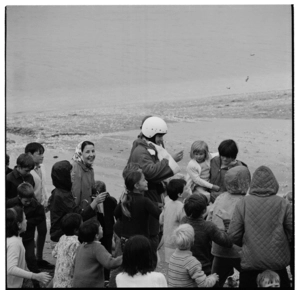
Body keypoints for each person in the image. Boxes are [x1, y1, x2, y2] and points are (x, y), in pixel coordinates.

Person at [228, 166, 292, 288]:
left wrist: (247, 243)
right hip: (277, 263)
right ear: (274, 184)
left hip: (250, 262)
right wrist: (284, 241)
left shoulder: (243, 203)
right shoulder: (283, 203)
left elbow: (233, 235)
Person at [127, 116, 182, 258]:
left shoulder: (148, 147)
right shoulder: (141, 151)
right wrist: (171, 160)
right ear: (151, 134)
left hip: (153, 194)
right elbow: (150, 172)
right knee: (151, 232)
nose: (161, 139)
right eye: (159, 136)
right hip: (148, 196)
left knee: (155, 230)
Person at [209, 166, 251, 287]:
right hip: (238, 250)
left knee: (215, 281)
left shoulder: (220, 197)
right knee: (248, 279)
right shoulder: (245, 201)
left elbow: (210, 219)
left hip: (218, 248)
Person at [48, 160, 106, 243]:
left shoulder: (59, 191)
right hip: (61, 236)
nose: (73, 174)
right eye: (70, 172)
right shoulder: (62, 195)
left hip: (60, 235)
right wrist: (95, 202)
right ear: (64, 176)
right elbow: (79, 215)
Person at [181, 194, 232, 276]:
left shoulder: (183, 221)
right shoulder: (208, 226)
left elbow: (194, 220)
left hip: (185, 266)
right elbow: (228, 242)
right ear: (205, 210)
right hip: (203, 269)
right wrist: (227, 221)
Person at [6, 182, 46, 287]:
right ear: (19, 197)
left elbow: (40, 217)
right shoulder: (11, 204)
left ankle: (36, 283)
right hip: (15, 235)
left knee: (30, 259)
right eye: (25, 201)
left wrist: (28, 222)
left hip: (28, 237)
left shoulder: (37, 206)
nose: (28, 203)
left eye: (29, 201)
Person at [114, 171, 161, 257]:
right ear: (136, 186)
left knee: (129, 266)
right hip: (140, 242)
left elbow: (116, 214)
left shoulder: (125, 200)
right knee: (140, 267)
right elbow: (159, 215)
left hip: (125, 241)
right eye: (143, 180)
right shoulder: (145, 201)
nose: (147, 181)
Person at [6, 206, 51, 288]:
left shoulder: (12, 239)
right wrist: (35, 276)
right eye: (25, 219)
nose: (26, 221)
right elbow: (10, 268)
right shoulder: (14, 243)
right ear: (19, 225)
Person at [24, 142, 53, 270]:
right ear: (29, 154)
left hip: (41, 206)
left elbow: (43, 186)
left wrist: (46, 201)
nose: (42, 156)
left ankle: (39, 258)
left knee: (42, 231)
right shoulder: (26, 170)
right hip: (30, 207)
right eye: (39, 154)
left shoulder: (42, 167)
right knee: (28, 234)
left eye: (43, 153)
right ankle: (28, 261)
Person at [73, 219, 122, 288]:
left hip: (77, 283)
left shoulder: (81, 246)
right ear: (96, 235)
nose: (102, 228)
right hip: (90, 284)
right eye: (100, 228)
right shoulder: (97, 248)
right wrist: (125, 256)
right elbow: (110, 263)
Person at [94, 180, 118, 282]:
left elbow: (115, 214)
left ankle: (106, 277)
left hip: (107, 231)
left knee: (107, 252)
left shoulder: (111, 201)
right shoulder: (93, 201)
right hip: (98, 231)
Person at [159, 179, 188, 263]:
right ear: (180, 194)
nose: (188, 189)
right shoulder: (182, 208)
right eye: (186, 188)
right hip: (177, 244)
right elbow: (184, 226)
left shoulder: (168, 204)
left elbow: (161, 220)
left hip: (167, 242)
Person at [52, 213, 82, 288]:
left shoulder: (62, 238)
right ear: (76, 230)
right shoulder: (76, 243)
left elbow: (54, 254)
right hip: (69, 283)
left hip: (57, 282)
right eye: (82, 224)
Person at [71, 141, 96, 206]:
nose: (91, 155)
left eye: (93, 151)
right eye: (87, 152)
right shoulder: (76, 169)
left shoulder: (89, 168)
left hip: (88, 210)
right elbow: (75, 196)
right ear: (80, 153)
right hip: (80, 212)